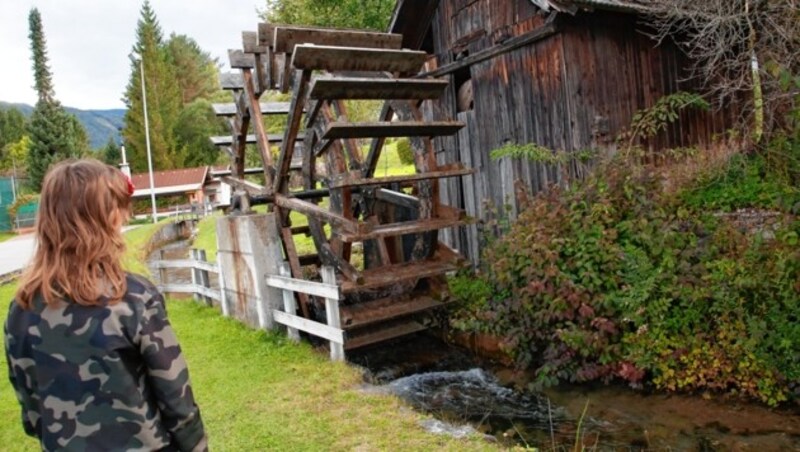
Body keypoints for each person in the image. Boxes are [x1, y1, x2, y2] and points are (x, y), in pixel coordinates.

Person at [4, 159, 207, 451]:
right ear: (103, 219)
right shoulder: (133, 298)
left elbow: (32, 411)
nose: (124, 218)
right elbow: (177, 402)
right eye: (118, 208)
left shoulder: (20, 310)